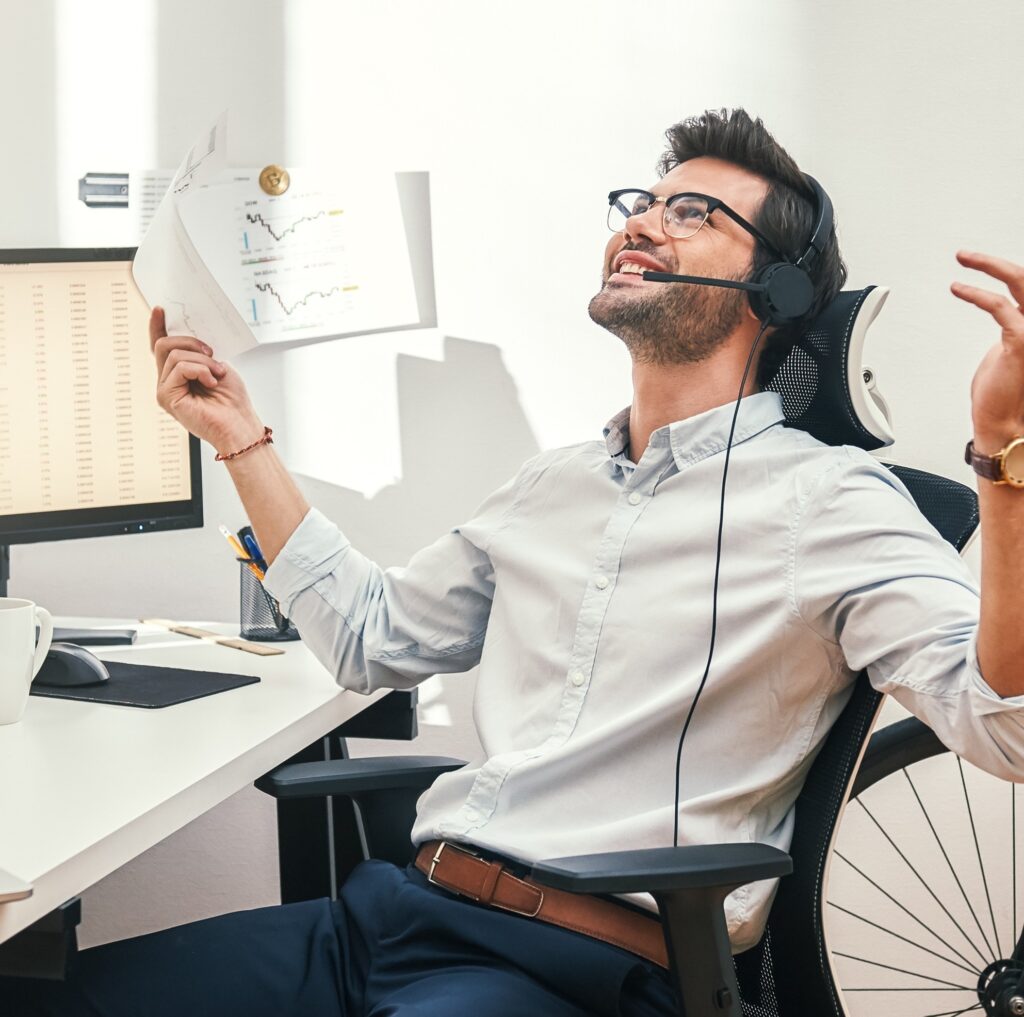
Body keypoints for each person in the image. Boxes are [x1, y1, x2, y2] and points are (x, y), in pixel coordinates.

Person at [10, 108, 1024, 1017]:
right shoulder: (555, 485)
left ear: (777, 289)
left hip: (562, 968)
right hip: (391, 920)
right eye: (644, 202)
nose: (642, 222)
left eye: (694, 214)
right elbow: (372, 640)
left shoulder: (829, 501)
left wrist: (1005, 464)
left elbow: (1000, 726)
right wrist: (240, 438)